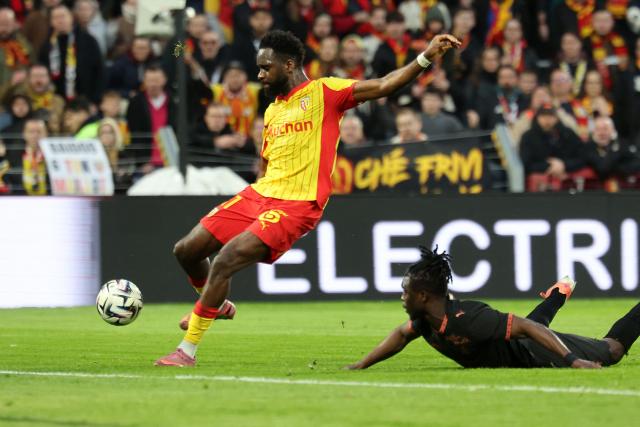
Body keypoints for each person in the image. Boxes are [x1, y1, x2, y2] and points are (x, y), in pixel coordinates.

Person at [154, 30, 461, 367]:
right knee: (186, 250)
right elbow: (266, 162)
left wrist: (427, 56)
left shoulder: (325, 92)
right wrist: (256, 194)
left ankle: (187, 351)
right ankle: (217, 304)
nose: (259, 75)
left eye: (265, 68)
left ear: (288, 65)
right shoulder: (273, 111)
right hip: (261, 193)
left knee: (227, 259)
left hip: (297, 204)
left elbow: (385, 84)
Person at [346, 246, 640, 370]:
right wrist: (361, 365)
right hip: (514, 345)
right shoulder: (425, 319)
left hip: (530, 353)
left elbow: (528, 328)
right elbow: (400, 335)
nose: (401, 297)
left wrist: (575, 361)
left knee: (612, 350)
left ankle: (558, 295)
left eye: (405, 292)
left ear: (423, 296)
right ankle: (558, 294)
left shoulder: (468, 318)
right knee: (519, 328)